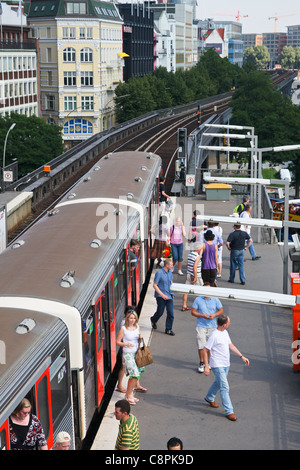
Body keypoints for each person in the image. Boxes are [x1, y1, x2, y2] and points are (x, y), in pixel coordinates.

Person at [203, 315, 250, 421]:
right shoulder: (214, 335)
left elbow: (231, 345)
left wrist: (242, 356)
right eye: (229, 322)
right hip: (217, 364)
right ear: (224, 325)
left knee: (218, 382)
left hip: (226, 364)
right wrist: (207, 366)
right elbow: (205, 350)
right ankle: (230, 411)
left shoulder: (225, 332)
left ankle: (209, 397)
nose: (229, 323)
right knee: (225, 387)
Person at [191, 284, 223, 373]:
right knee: (201, 345)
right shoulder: (198, 299)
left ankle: (207, 363)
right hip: (201, 325)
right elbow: (193, 312)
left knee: (209, 346)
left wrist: (215, 315)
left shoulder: (215, 299)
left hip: (212, 326)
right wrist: (202, 315)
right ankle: (202, 362)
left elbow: (221, 310)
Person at [116, 306, 147, 394]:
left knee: (137, 366)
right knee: (123, 367)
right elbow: (120, 339)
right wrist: (126, 344)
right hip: (126, 349)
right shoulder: (124, 324)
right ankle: (120, 385)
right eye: (131, 316)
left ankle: (136, 384)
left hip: (134, 349)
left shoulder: (136, 326)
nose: (133, 319)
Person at [151, 259, 175, 336]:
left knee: (171, 313)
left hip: (169, 295)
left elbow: (171, 281)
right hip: (160, 296)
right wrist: (162, 295)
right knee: (160, 312)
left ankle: (168, 329)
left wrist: (172, 292)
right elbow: (155, 285)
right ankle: (153, 320)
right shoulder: (159, 273)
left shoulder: (170, 272)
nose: (172, 266)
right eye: (171, 265)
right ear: (167, 265)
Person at [182, 242, 203, 311]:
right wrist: (196, 277)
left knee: (186, 291)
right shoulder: (197, 257)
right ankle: (200, 306)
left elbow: (187, 265)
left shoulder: (190, 254)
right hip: (196, 276)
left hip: (188, 274)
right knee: (200, 291)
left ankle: (184, 305)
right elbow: (195, 267)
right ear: (198, 248)